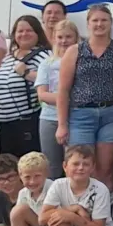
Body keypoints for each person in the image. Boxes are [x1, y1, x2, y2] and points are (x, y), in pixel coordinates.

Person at [55, 4, 113, 187]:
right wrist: (61, 124)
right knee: (80, 167)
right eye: (95, 20)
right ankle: (79, 211)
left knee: (105, 170)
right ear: (88, 24)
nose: (99, 24)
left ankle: (102, 212)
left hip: (112, 115)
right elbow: (63, 90)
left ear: (111, 23)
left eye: (104, 20)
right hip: (81, 115)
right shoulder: (75, 51)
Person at [0, 16, 49, 158]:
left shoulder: (44, 55)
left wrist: (26, 73)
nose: (24, 34)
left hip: (26, 122)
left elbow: (54, 80)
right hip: (4, 124)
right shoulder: (8, 58)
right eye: (20, 31)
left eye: (29, 30)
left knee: (28, 165)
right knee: (9, 167)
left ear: (37, 33)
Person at [34, 21, 75, 177]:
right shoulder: (46, 63)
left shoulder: (81, 61)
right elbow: (42, 95)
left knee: (74, 163)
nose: (64, 41)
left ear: (76, 38)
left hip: (75, 118)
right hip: (49, 118)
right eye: (60, 37)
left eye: (68, 37)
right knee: (51, 165)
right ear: (54, 38)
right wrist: (66, 98)